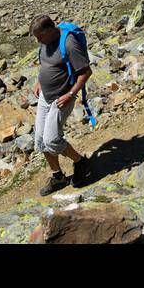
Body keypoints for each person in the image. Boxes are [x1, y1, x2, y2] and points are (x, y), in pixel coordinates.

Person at [30, 14, 93, 195]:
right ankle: (58, 177)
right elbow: (45, 63)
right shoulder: (45, 42)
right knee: (41, 141)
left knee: (51, 140)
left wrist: (71, 94)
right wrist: (40, 82)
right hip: (45, 96)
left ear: (50, 30)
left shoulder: (69, 43)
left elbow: (86, 72)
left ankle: (81, 162)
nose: (38, 40)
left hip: (62, 97)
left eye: (39, 36)